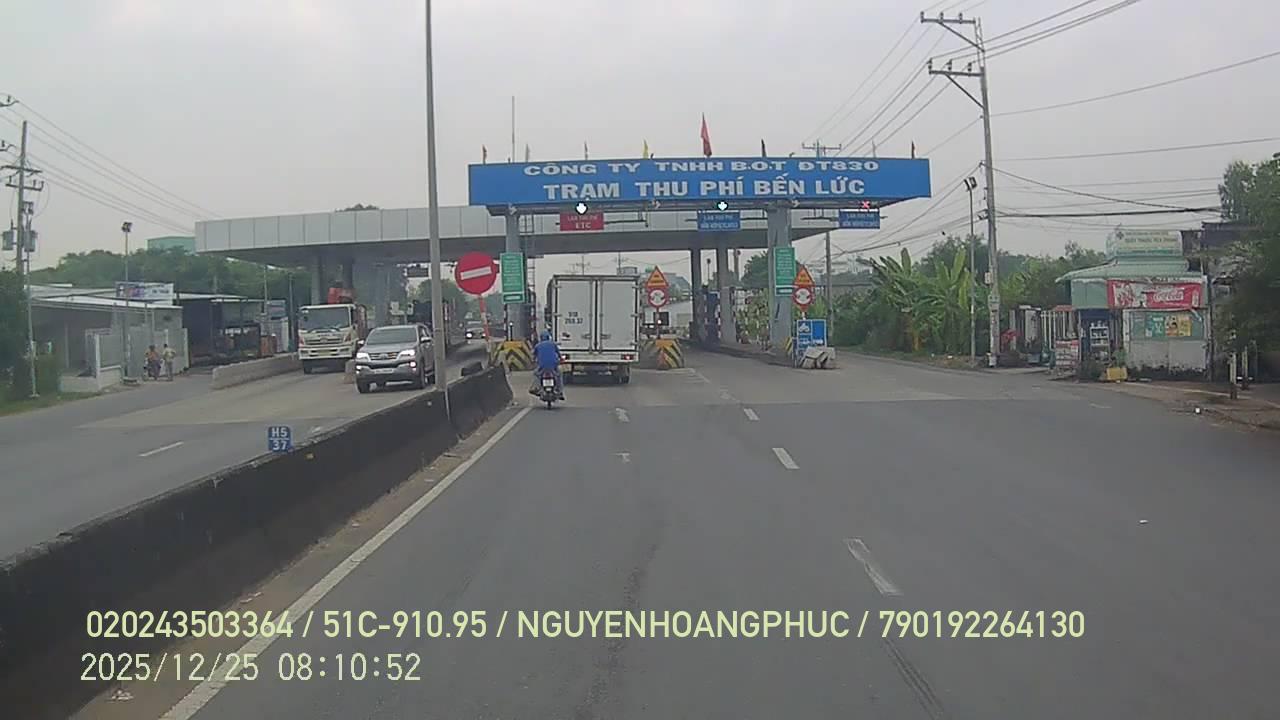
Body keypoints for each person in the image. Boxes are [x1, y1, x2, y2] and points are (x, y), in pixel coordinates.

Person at [531, 331, 564, 399]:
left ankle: (536, 388)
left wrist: (533, 361)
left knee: (536, 374)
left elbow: (534, 356)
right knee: (559, 375)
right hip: (553, 365)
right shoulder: (553, 344)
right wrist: (561, 359)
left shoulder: (538, 345)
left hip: (542, 366)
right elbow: (558, 354)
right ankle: (560, 391)